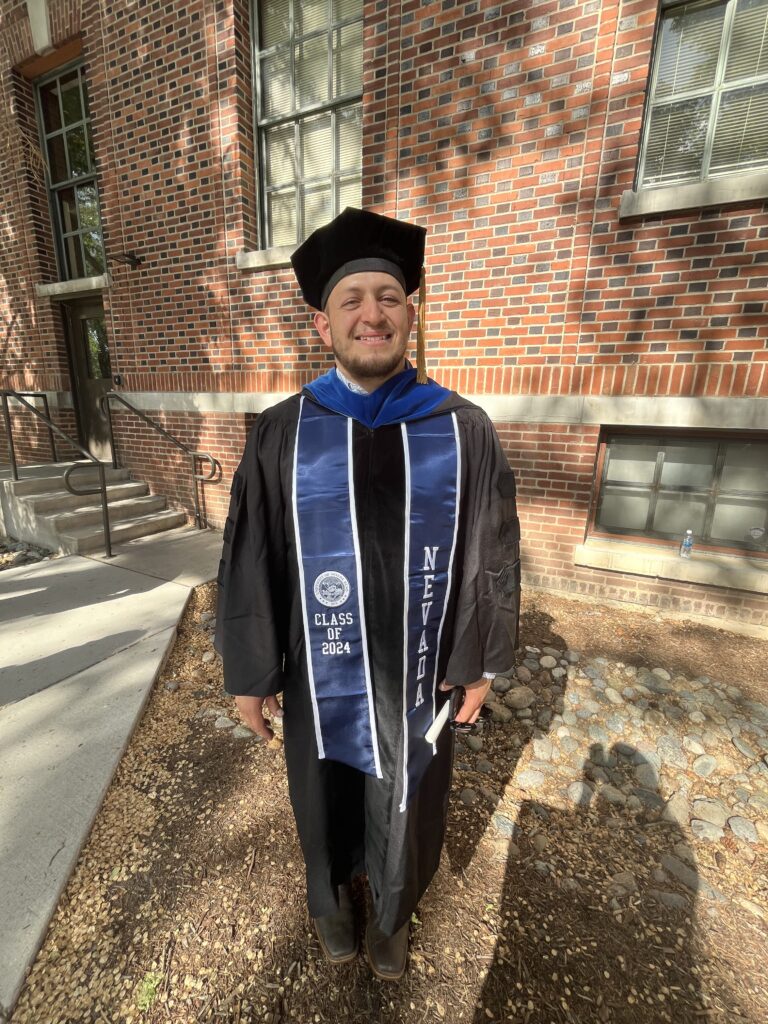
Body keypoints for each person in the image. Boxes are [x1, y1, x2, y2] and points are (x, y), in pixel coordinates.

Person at [215, 207, 521, 981]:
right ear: (324, 325)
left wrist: (478, 660)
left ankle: (391, 912)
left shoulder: (463, 429)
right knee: (319, 790)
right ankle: (328, 902)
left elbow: (491, 553)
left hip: (420, 675)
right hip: (320, 672)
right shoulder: (283, 431)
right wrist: (251, 674)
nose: (371, 314)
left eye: (388, 297)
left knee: (410, 795)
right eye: (352, 301)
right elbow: (251, 556)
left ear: (411, 313)